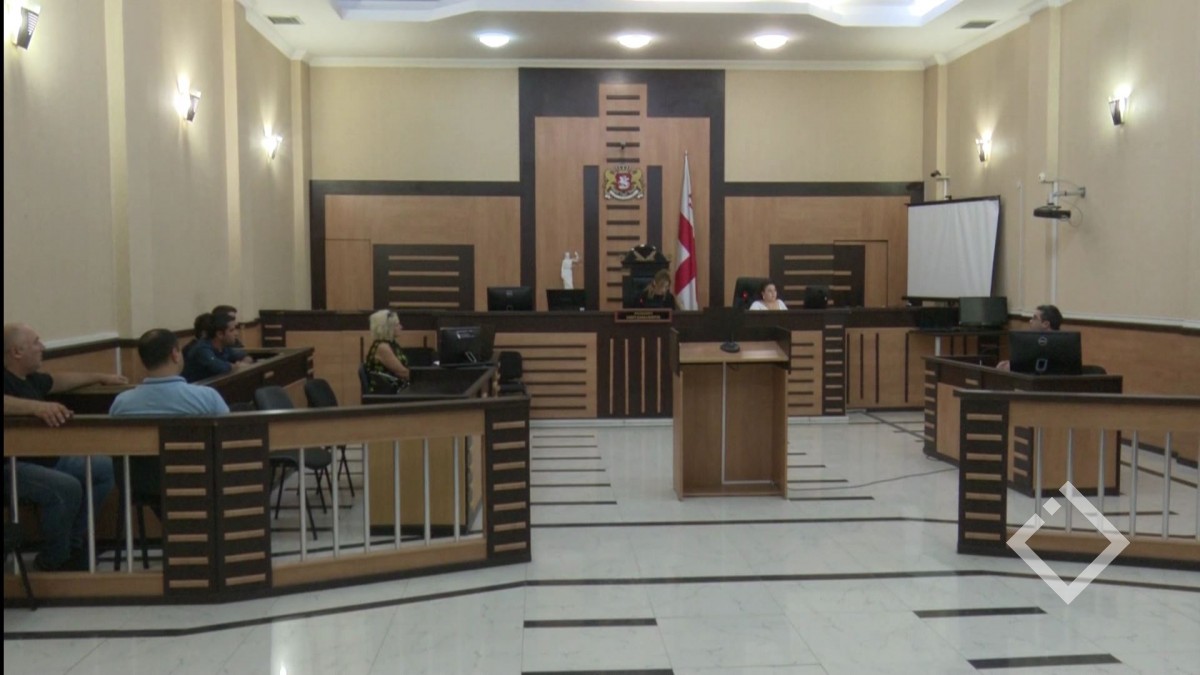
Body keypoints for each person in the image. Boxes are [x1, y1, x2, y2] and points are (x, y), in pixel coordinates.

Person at [3, 323, 127, 571]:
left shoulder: (30, 379)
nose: (42, 347)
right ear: (17, 352)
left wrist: (99, 377)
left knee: (103, 468)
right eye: (36, 342)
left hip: (43, 458)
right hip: (11, 466)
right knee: (67, 487)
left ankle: (72, 545)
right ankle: (53, 560)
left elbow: (58, 381)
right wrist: (36, 407)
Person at [110, 330, 229, 514]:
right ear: (175, 354)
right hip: (198, 481)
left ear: (143, 360)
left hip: (141, 485)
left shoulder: (121, 403)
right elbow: (228, 436)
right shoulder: (207, 397)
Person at [181, 312, 251, 382]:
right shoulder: (202, 349)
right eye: (232, 330)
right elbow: (218, 366)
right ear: (220, 334)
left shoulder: (224, 346)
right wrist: (237, 366)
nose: (236, 333)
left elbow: (244, 356)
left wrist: (244, 362)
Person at [997, 304, 1062, 370]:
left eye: (1034, 318)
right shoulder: (1031, 340)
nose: (1030, 321)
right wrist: (1012, 364)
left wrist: (1013, 366)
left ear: (1045, 324)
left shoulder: (1058, 345)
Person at [364, 309, 410, 391]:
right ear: (388, 328)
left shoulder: (391, 344)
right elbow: (402, 372)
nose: (401, 327)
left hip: (394, 388)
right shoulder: (382, 347)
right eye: (397, 325)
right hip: (386, 391)